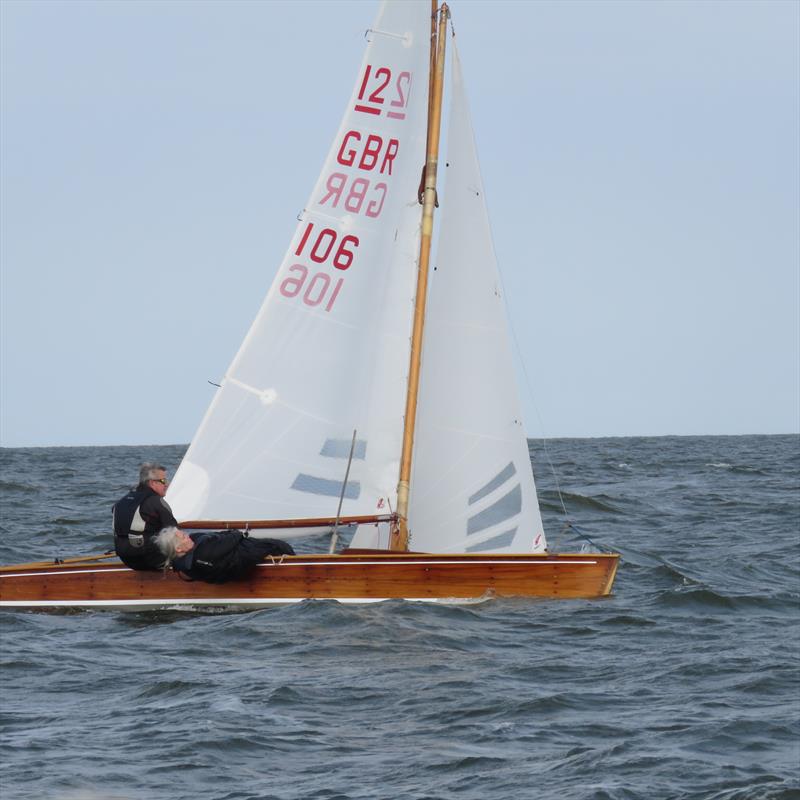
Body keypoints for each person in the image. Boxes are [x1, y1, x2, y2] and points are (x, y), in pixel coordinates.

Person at [154, 527, 295, 584]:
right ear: (178, 549)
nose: (188, 537)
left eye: (184, 534)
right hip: (241, 556)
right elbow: (234, 537)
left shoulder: (183, 565)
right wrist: (236, 532)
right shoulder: (202, 554)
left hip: (232, 562)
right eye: (184, 537)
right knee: (281, 546)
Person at [112, 463, 179, 571]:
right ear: (152, 483)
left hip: (126, 559)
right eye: (163, 481)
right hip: (150, 560)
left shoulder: (122, 501)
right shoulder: (156, 502)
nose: (167, 484)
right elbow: (175, 532)